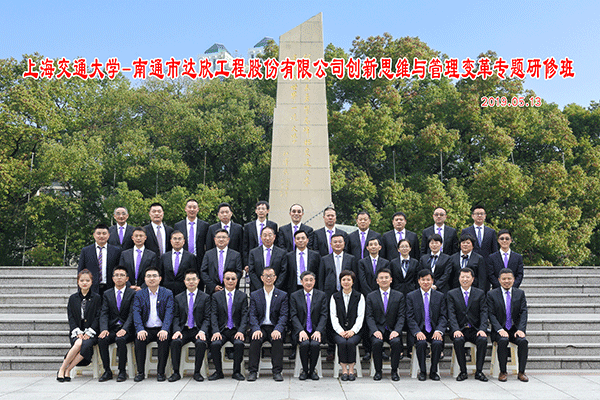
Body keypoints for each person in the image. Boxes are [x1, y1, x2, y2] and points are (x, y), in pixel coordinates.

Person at [318, 233, 358, 361]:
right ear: (331, 244)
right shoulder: (324, 259)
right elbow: (321, 278)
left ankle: (346, 345)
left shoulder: (351, 258)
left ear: (344, 243)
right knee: (331, 321)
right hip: (329, 293)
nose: (337, 244)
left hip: (347, 293)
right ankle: (331, 349)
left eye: (340, 241)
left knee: (345, 318)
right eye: (335, 242)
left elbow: (354, 278)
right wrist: (322, 294)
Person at [57, 269, 102, 382]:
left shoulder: (97, 298)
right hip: (76, 332)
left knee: (83, 343)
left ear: (92, 282)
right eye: (82, 280)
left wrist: (89, 332)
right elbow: (71, 317)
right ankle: (64, 369)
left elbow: (98, 317)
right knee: (78, 342)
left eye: (87, 280)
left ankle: (66, 369)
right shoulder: (73, 298)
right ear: (78, 282)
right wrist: (78, 332)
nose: (84, 283)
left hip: (92, 333)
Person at [132, 266, 175, 382]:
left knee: (164, 340)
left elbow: (169, 313)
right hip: (146, 329)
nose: (152, 279)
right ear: (145, 279)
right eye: (149, 276)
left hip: (161, 328)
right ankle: (140, 372)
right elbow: (136, 313)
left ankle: (161, 372)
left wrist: (165, 329)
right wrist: (140, 329)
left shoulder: (167, 293)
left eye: (154, 276)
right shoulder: (139, 294)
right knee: (139, 340)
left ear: (160, 278)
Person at [446, 268, 489, 382]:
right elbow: (451, 314)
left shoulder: (479, 293)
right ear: (459, 278)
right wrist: (455, 329)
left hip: (475, 329)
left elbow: (484, 312)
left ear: (473, 279)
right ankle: (463, 371)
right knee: (458, 340)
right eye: (462, 277)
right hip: (459, 329)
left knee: (483, 340)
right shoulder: (451, 294)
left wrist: (482, 329)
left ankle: (479, 371)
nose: (465, 279)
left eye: (467, 277)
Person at [168, 269, 210, 382]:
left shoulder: (205, 297)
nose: (191, 282)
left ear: (198, 281)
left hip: (198, 329)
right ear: (184, 281)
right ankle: (176, 372)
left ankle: (197, 372)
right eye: (188, 279)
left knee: (201, 343)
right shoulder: (178, 297)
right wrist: (177, 330)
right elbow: (176, 317)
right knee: (175, 342)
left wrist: (202, 331)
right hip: (184, 329)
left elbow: (207, 318)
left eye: (193, 279)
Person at [487, 268, 529, 382]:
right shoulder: (492, 294)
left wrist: (521, 329)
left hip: (514, 329)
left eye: (509, 278)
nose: (506, 281)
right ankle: (503, 371)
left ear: (513, 279)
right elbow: (491, 314)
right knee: (503, 340)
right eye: (504, 279)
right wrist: (499, 329)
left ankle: (521, 372)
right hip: (499, 330)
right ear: (499, 280)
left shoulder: (520, 293)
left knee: (523, 342)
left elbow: (523, 312)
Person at [247, 267, 288, 382]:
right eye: (266, 276)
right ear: (261, 278)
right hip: (260, 327)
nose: (268, 278)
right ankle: (253, 371)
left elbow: (284, 315)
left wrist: (278, 329)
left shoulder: (282, 295)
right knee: (255, 339)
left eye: (271, 276)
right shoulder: (255, 295)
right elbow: (252, 315)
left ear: (275, 278)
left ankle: (277, 372)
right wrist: (256, 328)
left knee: (277, 339)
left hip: (275, 327)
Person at [406, 269, 447, 381]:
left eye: (428, 280)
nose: (425, 282)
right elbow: (409, 317)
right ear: (418, 281)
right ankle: (423, 371)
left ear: (432, 281)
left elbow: (443, 316)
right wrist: (417, 332)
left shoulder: (439, 296)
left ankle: (433, 371)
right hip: (419, 329)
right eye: (423, 280)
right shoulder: (411, 296)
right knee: (421, 343)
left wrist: (438, 330)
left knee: (437, 343)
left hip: (434, 330)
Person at [365, 268, 405, 381]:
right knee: (377, 342)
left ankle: (394, 371)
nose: (384, 280)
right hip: (378, 330)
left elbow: (401, 316)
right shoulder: (371, 296)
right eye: (381, 278)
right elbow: (369, 316)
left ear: (391, 279)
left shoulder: (399, 296)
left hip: (393, 330)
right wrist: (374, 330)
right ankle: (378, 371)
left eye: (386, 278)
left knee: (396, 342)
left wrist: (397, 330)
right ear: (377, 280)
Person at [98, 266, 136, 382]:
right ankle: (107, 371)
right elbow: (104, 313)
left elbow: (132, 314)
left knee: (121, 339)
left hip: (127, 329)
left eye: (122, 275)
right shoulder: (107, 294)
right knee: (102, 339)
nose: (119, 277)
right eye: (116, 275)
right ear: (113, 278)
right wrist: (104, 329)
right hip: (112, 328)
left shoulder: (132, 293)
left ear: (127, 278)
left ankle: (122, 371)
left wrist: (125, 329)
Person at [209, 270, 248, 381]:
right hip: (221, 330)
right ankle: (218, 372)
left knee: (239, 343)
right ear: (223, 280)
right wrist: (216, 331)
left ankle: (236, 372)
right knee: (215, 344)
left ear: (237, 280)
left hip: (236, 330)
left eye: (233, 279)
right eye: (228, 279)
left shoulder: (242, 296)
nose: (230, 281)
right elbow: (213, 315)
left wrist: (241, 331)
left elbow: (245, 316)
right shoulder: (216, 296)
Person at [290, 271, 328, 380]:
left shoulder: (321, 295)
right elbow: (293, 315)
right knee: (304, 344)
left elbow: (324, 315)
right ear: (301, 282)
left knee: (315, 345)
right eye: (306, 280)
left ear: (314, 281)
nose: (308, 282)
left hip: (316, 330)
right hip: (301, 330)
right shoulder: (294, 296)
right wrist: (300, 330)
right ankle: (304, 371)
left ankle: (312, 371)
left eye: (311, 280)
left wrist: (319, 330)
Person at [331, 270, 365, 381]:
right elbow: (333, 316)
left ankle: (351, 370)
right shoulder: (335, 297)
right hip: (338, 331)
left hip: (355, 331)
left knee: (350, 342)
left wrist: (353, 331)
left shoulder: (359, 296)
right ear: (340, 282)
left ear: (353, 282)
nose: (346, 282)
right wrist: (340, 331)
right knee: (341, 342)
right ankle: (344, 370)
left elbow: (360, 316)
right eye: (343, 280)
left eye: (348, 280)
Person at [388, 238, 419, 358]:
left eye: (406, 246)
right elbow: (391, 279)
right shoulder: (393, 262)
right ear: (398, 249)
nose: (404, 248)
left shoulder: (415, 262)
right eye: (402, 246)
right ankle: (399, 349)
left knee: (411, 319)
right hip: (397, 294)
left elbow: (417, 279)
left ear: (410, 248)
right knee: (398, 320)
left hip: (412, 294)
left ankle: (411, 348)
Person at [78, 223, 122, 295]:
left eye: (104, 233)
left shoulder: (116, 251)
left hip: (111, 288)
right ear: (94, 235)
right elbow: (80, 271)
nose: (101, 236)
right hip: (91, 289)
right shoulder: (86, 251)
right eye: (98, 233)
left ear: (108, 235)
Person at [174, 199, 210, 281]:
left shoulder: (204, 225)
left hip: (200, 260)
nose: (192, 209)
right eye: (189, 207)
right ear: (185, 209)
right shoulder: (178, 225)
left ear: (198, 209)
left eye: (194, 207)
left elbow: (207, 243)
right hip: (183, 259)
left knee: (199, 282)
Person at [200, 228, 243, 294]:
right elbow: (203, 272)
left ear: (228, 239)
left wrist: (228, 284)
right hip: (212, 291)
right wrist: (213, 286)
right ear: (214, 239)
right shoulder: (208, 254)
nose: (221, 239)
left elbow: (239, 272)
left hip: (230, 290)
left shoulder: (236, 255)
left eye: (224, 237)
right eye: (218, 237)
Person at [247, 226, 288, 292]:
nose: (267, 238)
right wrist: (261, 288)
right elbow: (252, 271)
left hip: (277, 289)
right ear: (261, 237)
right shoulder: (253, 252)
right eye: (265, 235)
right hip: (257, 289)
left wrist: (274, 287)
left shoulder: (282, 253)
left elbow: (283, 271)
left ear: (274, 237)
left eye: (270, 235)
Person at [160, 230, 197, 296]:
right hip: (166, 291)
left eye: (179, 239)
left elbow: (193, 274)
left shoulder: (190, 257)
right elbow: (161, 274)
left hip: (184, 292)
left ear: (183, 241)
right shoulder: (164, 257)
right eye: (175, 239)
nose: (177, 241)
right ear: (171, 241)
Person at [243, 200, 278, 267]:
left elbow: (276, 243)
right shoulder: (248, 226)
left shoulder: (273, 225)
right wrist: (246, 263)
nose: (261, 211)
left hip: (269, 257)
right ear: (256, 211)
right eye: (259, 209)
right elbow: (245, 246)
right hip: (253, 258)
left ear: (267, 211)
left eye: (263, 209)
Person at [286, 229, 320, 294]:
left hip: (311, 287)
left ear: (307, 240)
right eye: (298, 238)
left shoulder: (315, 255)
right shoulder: (289, 256)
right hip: (294, 288)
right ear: (294, 241)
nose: (300, 240)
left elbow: (319, 273)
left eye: (303, 238)